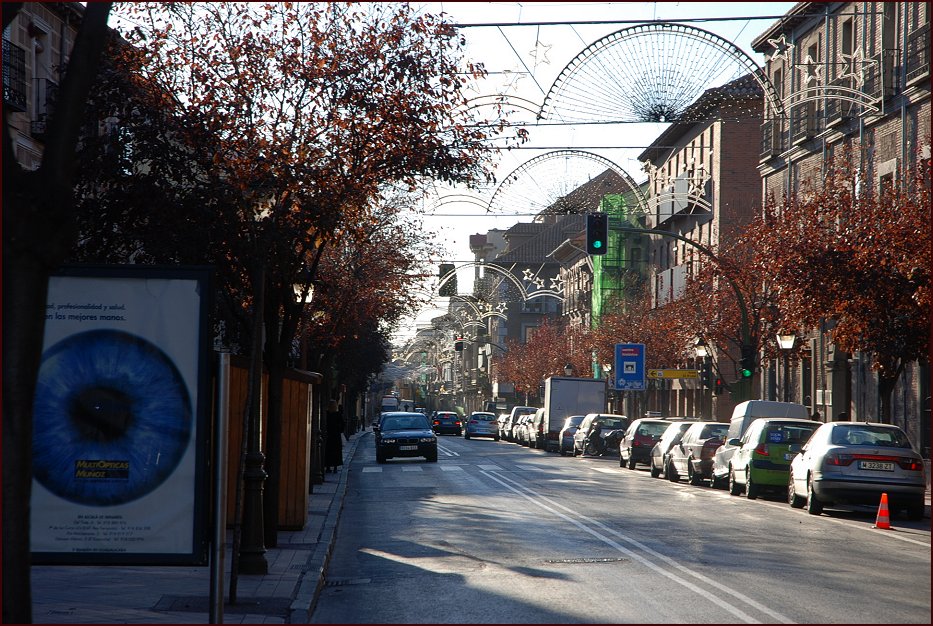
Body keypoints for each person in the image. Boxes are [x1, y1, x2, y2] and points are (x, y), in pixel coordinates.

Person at [324, 400, 345, 474]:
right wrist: (339, 430)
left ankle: (328, 467)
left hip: (329, 436)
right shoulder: (338, 414)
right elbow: (342, 425)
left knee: (328, 452)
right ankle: (335, 468)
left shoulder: (327, 414)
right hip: (336, 436)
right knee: (336, 452)